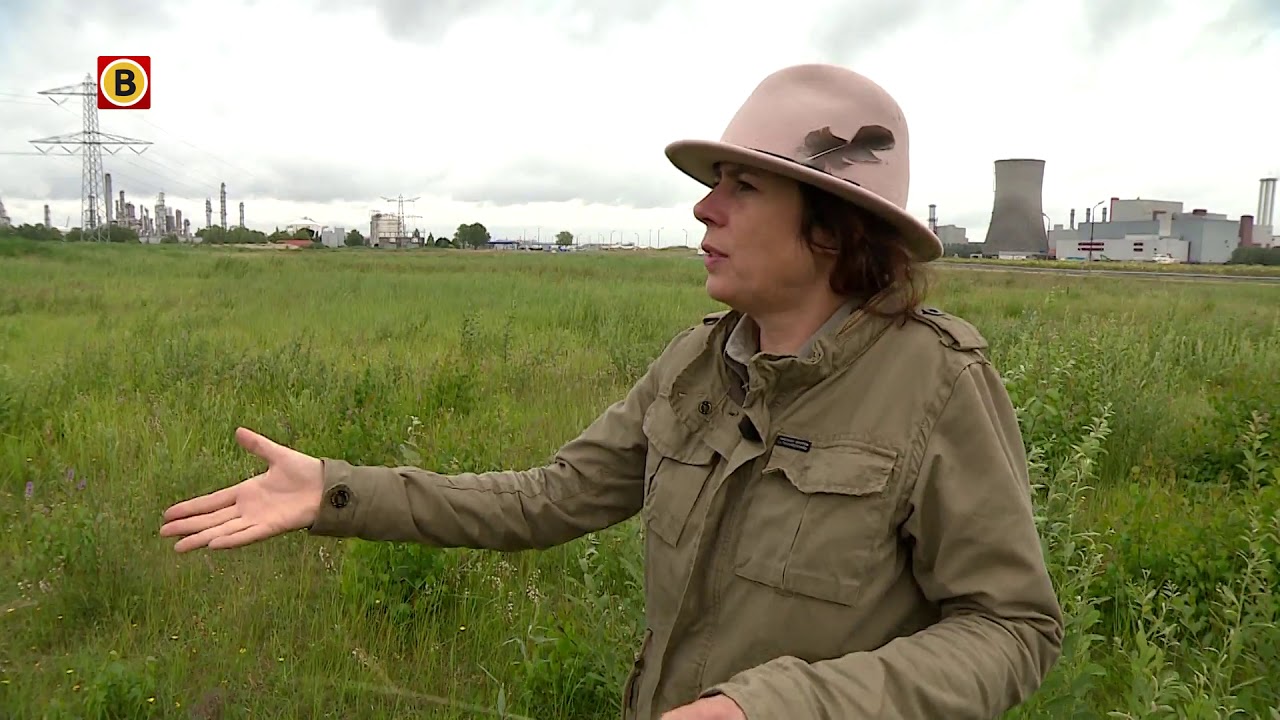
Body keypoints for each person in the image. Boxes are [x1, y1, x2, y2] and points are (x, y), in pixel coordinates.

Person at [160, 63, 1064, 720]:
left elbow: (1013, 628)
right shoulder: (697, 365)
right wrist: (338, 489)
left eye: (742, 186)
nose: (705, 208)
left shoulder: (936, 383)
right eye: (714, 184)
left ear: (833, 226)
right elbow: (546, 499)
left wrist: (778, 707)